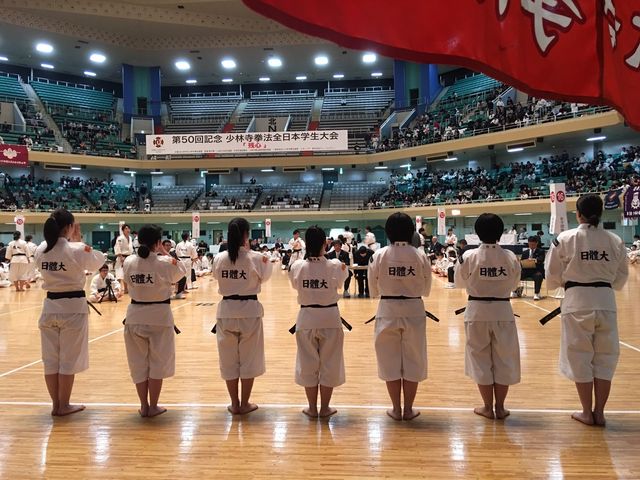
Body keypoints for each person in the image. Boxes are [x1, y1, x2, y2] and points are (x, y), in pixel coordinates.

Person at [545, 194, 628, 426]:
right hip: (605, 300)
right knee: (605, 357)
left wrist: (564, 282)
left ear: (578, 214)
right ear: (601, 213)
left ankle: (586, 412)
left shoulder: (565, 238)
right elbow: (621, 276)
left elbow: (551, 274)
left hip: (577, 301)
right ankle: (599, 412)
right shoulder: (615, 240)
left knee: (579, 356)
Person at [35, 208, 105, 416]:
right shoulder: (77, 248)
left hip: (50, 307)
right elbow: (99, 260)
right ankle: (63, 405)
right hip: (73, 309)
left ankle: (55, 405)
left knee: (50, 360)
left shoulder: (41, 249)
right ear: (69, 227)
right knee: (68, 360)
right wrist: (78, 240)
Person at [455, 213, 522, 420]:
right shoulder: (510, 257)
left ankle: (487, 407)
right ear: (500, 233)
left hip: (477, 311)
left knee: (480, 358)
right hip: (503, 310)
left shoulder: (469, 256)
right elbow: (515, 284)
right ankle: (500, 407)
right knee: (504, 358)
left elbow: (459, 282)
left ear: (477, 233)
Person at [368, 212, 432, 421]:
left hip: (387, 309)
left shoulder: (379, 255)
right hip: (414, 308)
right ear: (411, 231)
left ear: (388, 232)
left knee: (389, 360)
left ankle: (396, 409)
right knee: (414, 359)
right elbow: (427, 288)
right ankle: (408, 409)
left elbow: (373, 288)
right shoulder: (420, 255)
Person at [123, 224, 188, 417]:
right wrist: (164, 252)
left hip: (135, 315)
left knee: (138, 363)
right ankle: (153, 406)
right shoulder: (165, 263)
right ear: (158, 242)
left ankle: (144, 406)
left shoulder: (129, 262)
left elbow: (127, 281)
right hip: (160, 316)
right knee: (158, 363)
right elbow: (182, 271)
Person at [213, 217, 273, 415]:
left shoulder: (220, 258)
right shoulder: (257, 258)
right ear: (246, 235)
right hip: (249, 312)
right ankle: (244, 403)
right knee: (249, 359)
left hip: (226, 312)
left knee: (228, 360)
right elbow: (265, 277)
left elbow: (215, 276)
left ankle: (234, 403)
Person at [289, 226, 349, 418]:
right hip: (330, 317)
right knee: (330, 363)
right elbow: (342, 281)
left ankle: (312, 408)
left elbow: (294, 285)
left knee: (307, 363)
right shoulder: (335, 265)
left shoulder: (297, 266)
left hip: (306, 318)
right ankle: (324, 408)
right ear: (325, 243)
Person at [513, 235, 546, 300]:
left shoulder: (541, 251)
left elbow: (541, 260)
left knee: (539, 276)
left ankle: (537, 293)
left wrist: (534, 260)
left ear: (536, 243)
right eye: (530, 244)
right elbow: (522, 262)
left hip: (536, 271)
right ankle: (515, 291)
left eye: (533, 244)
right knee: (516, 275)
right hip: (526, 270)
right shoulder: (525, 252)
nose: (531, 246)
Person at [114, 224, 133, 294]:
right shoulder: (120, 238)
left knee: (127, 273)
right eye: (126, 228)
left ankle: (126, 288)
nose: (128, 230)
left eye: (128, 228)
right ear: (123, 230)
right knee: (120, 274)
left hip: (129, 257)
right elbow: (117, 247)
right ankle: (119, 289)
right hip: (122, 257)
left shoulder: (130, 238)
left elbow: (130, 248)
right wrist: (121, 257)